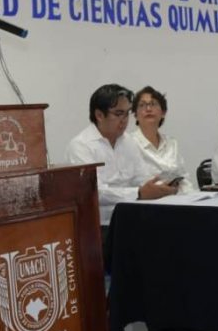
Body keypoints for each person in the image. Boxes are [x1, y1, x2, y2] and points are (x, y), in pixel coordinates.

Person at [65, 84, 177, 227]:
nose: (124, 120)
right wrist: (139, 193)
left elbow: (142, 178)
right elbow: (94, 193)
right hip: (100, 226)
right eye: (118, 114)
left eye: (127, 113)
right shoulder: (80, 146)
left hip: (132, 219)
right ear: (99, 115)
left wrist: (162, 187)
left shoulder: (128, 141)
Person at [130, 86, 196, 193]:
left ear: (163, 112)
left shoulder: (171, 143)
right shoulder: (129, 143)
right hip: (145, 204)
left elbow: (184, 178)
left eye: (153, 104)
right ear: (135, 115)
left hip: (177, 201)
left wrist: (192, 198)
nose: (148, 109)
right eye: (142, 105)